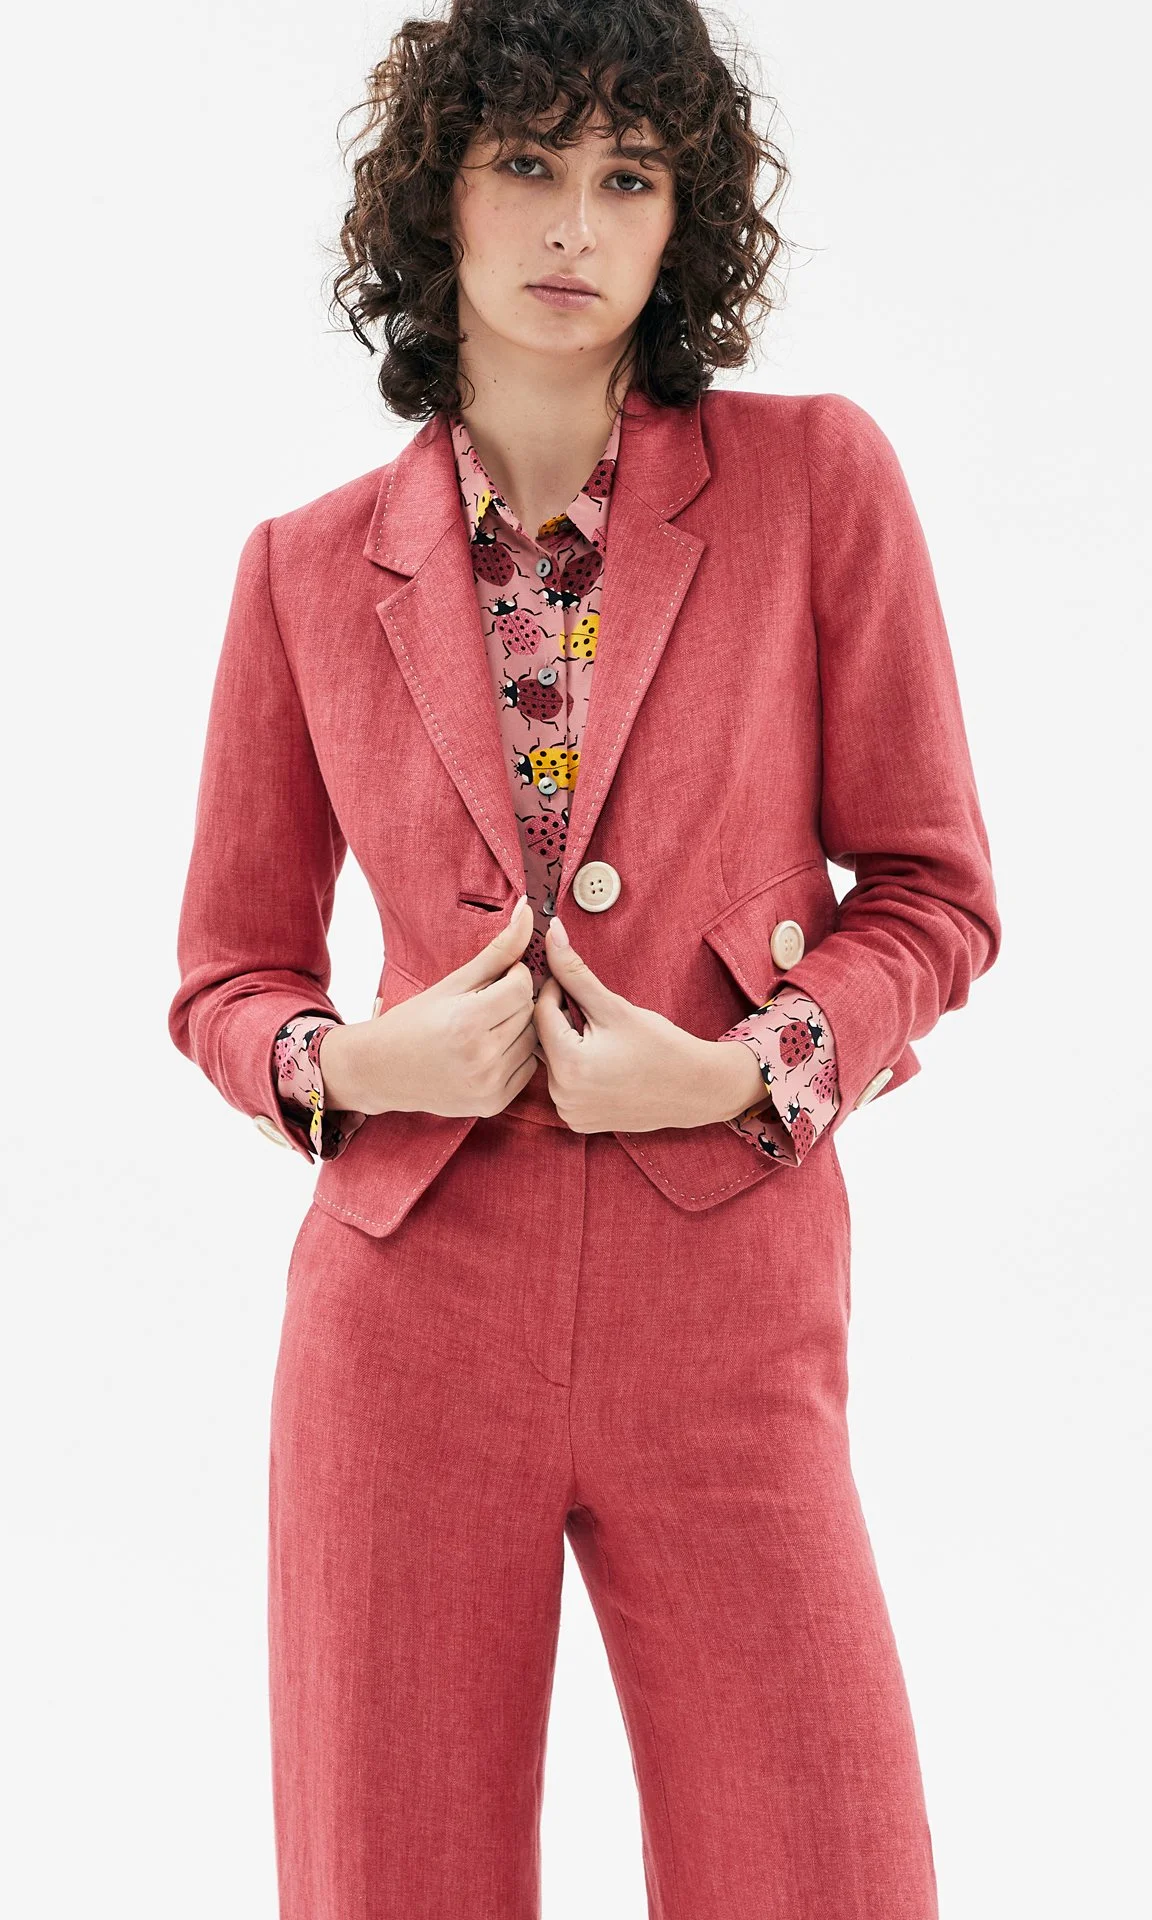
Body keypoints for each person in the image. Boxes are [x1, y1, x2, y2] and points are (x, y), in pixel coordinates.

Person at [168, 1, 1001, 1913]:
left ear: (683, 217)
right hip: (406, 1310)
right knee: (390, 1876)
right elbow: (226, 970)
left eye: (628, 176)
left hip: (727, 1296)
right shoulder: (303, 569)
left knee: (826, 1859)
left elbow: (934, 890)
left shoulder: (815, 482)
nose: (574, 224)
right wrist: (352, 1064)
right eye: (528, 164)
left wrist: (742, 1069)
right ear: (437, 198)